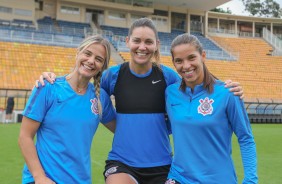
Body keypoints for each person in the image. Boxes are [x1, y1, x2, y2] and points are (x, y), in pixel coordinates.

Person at [36, 18, 244, 184]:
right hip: (122, 162)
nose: (142, 47)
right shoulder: (112, 76)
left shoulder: (168, 76)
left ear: (156, 46)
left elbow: (196, 83)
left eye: (148, 42)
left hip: (163, 165)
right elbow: (86, 87)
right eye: (137, 40)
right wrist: (51, 77)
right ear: (127, 42)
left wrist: (226, 86)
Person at [18, 35, 116, 184]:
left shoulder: (100, 98)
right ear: (78, 53)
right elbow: (25, 136)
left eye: (98, 59)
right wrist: (39, 177)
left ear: (102, 66)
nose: (91, 61)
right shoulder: (48, 87)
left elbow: (122, 129)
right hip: (44, 180)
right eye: (87, 53)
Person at [165, 33, 257, 184]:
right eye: (179, 61)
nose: (186, 65)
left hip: (218, 179)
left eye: (191, 58)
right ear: (174, 63)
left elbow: (245, 138)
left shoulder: (228, 93)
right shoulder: (170, 93)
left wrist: (250, 180)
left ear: (203, 55)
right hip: (179, 177)